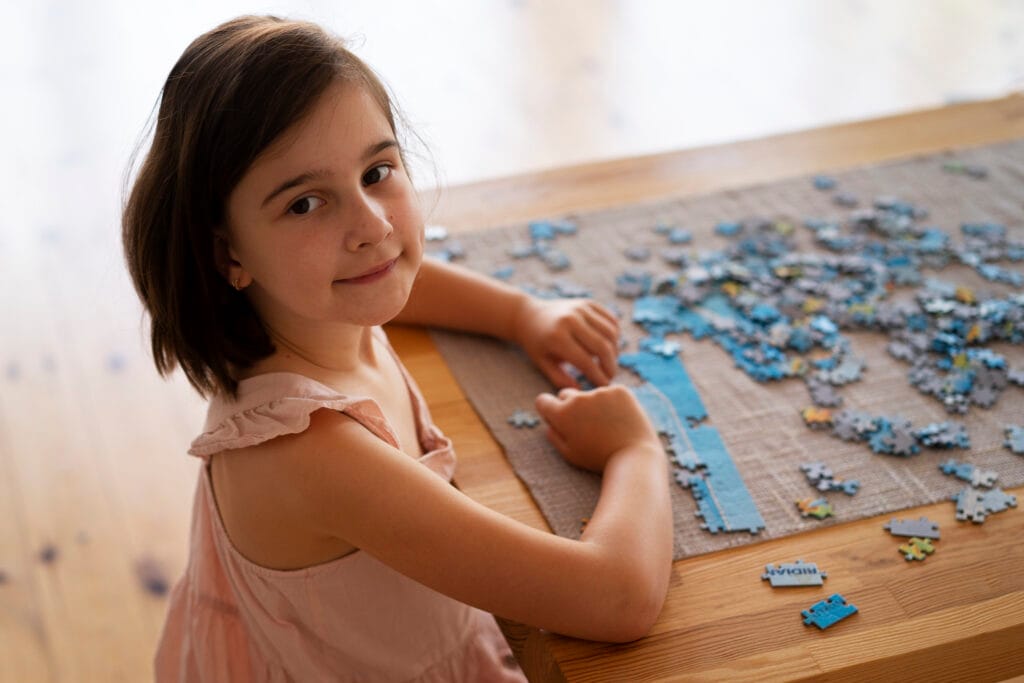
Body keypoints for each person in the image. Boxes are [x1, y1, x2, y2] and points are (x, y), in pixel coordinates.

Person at [122, 14, 672, 682]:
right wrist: (634, 449)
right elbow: (616, 598)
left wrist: (523, 312)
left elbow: (401, 274)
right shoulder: (309, 454)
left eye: (378, 170)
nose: (371, 224)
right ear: (227, 252)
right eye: (304, 204)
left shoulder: (309, 307)